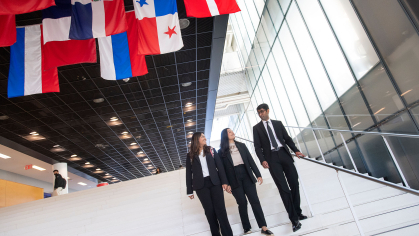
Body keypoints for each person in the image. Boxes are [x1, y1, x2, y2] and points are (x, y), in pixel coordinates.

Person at [253, 104, 307, 232]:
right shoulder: (257, 128)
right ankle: (294, 220)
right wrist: (262, 160)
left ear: (267, 111)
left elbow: (287, 139)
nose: (261, 114)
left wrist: (296, 150)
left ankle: (297, 212)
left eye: (262, 112)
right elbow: (257, 147)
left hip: (284, 154)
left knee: (294, 183)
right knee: (283, 188)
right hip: (271, 159)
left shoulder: (278, 123)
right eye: (258, 113)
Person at [218, 128, 274, 236]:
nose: (232, 132)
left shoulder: (242, 145)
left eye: (232, 131)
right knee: (242, 203)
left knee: (255, 201)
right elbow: (222, 170)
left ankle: (264, 227)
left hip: (246, 174)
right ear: (225, 135)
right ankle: (246, 228)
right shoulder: (221, 151)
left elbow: (250, 160)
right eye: (229, 132)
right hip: (233, 178)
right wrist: (226, 183)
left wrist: (258, 174)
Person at [186, 132, 233, 236]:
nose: (205, 138)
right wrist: (189, 191)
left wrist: (224, 182)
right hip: (200, 187)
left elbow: (220, 166)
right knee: (209, 212)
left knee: (221, 210)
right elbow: (188, 174)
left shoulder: (211, 150)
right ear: (196, 139)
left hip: (215, 183)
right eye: (202, 136)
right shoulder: (190, 155)